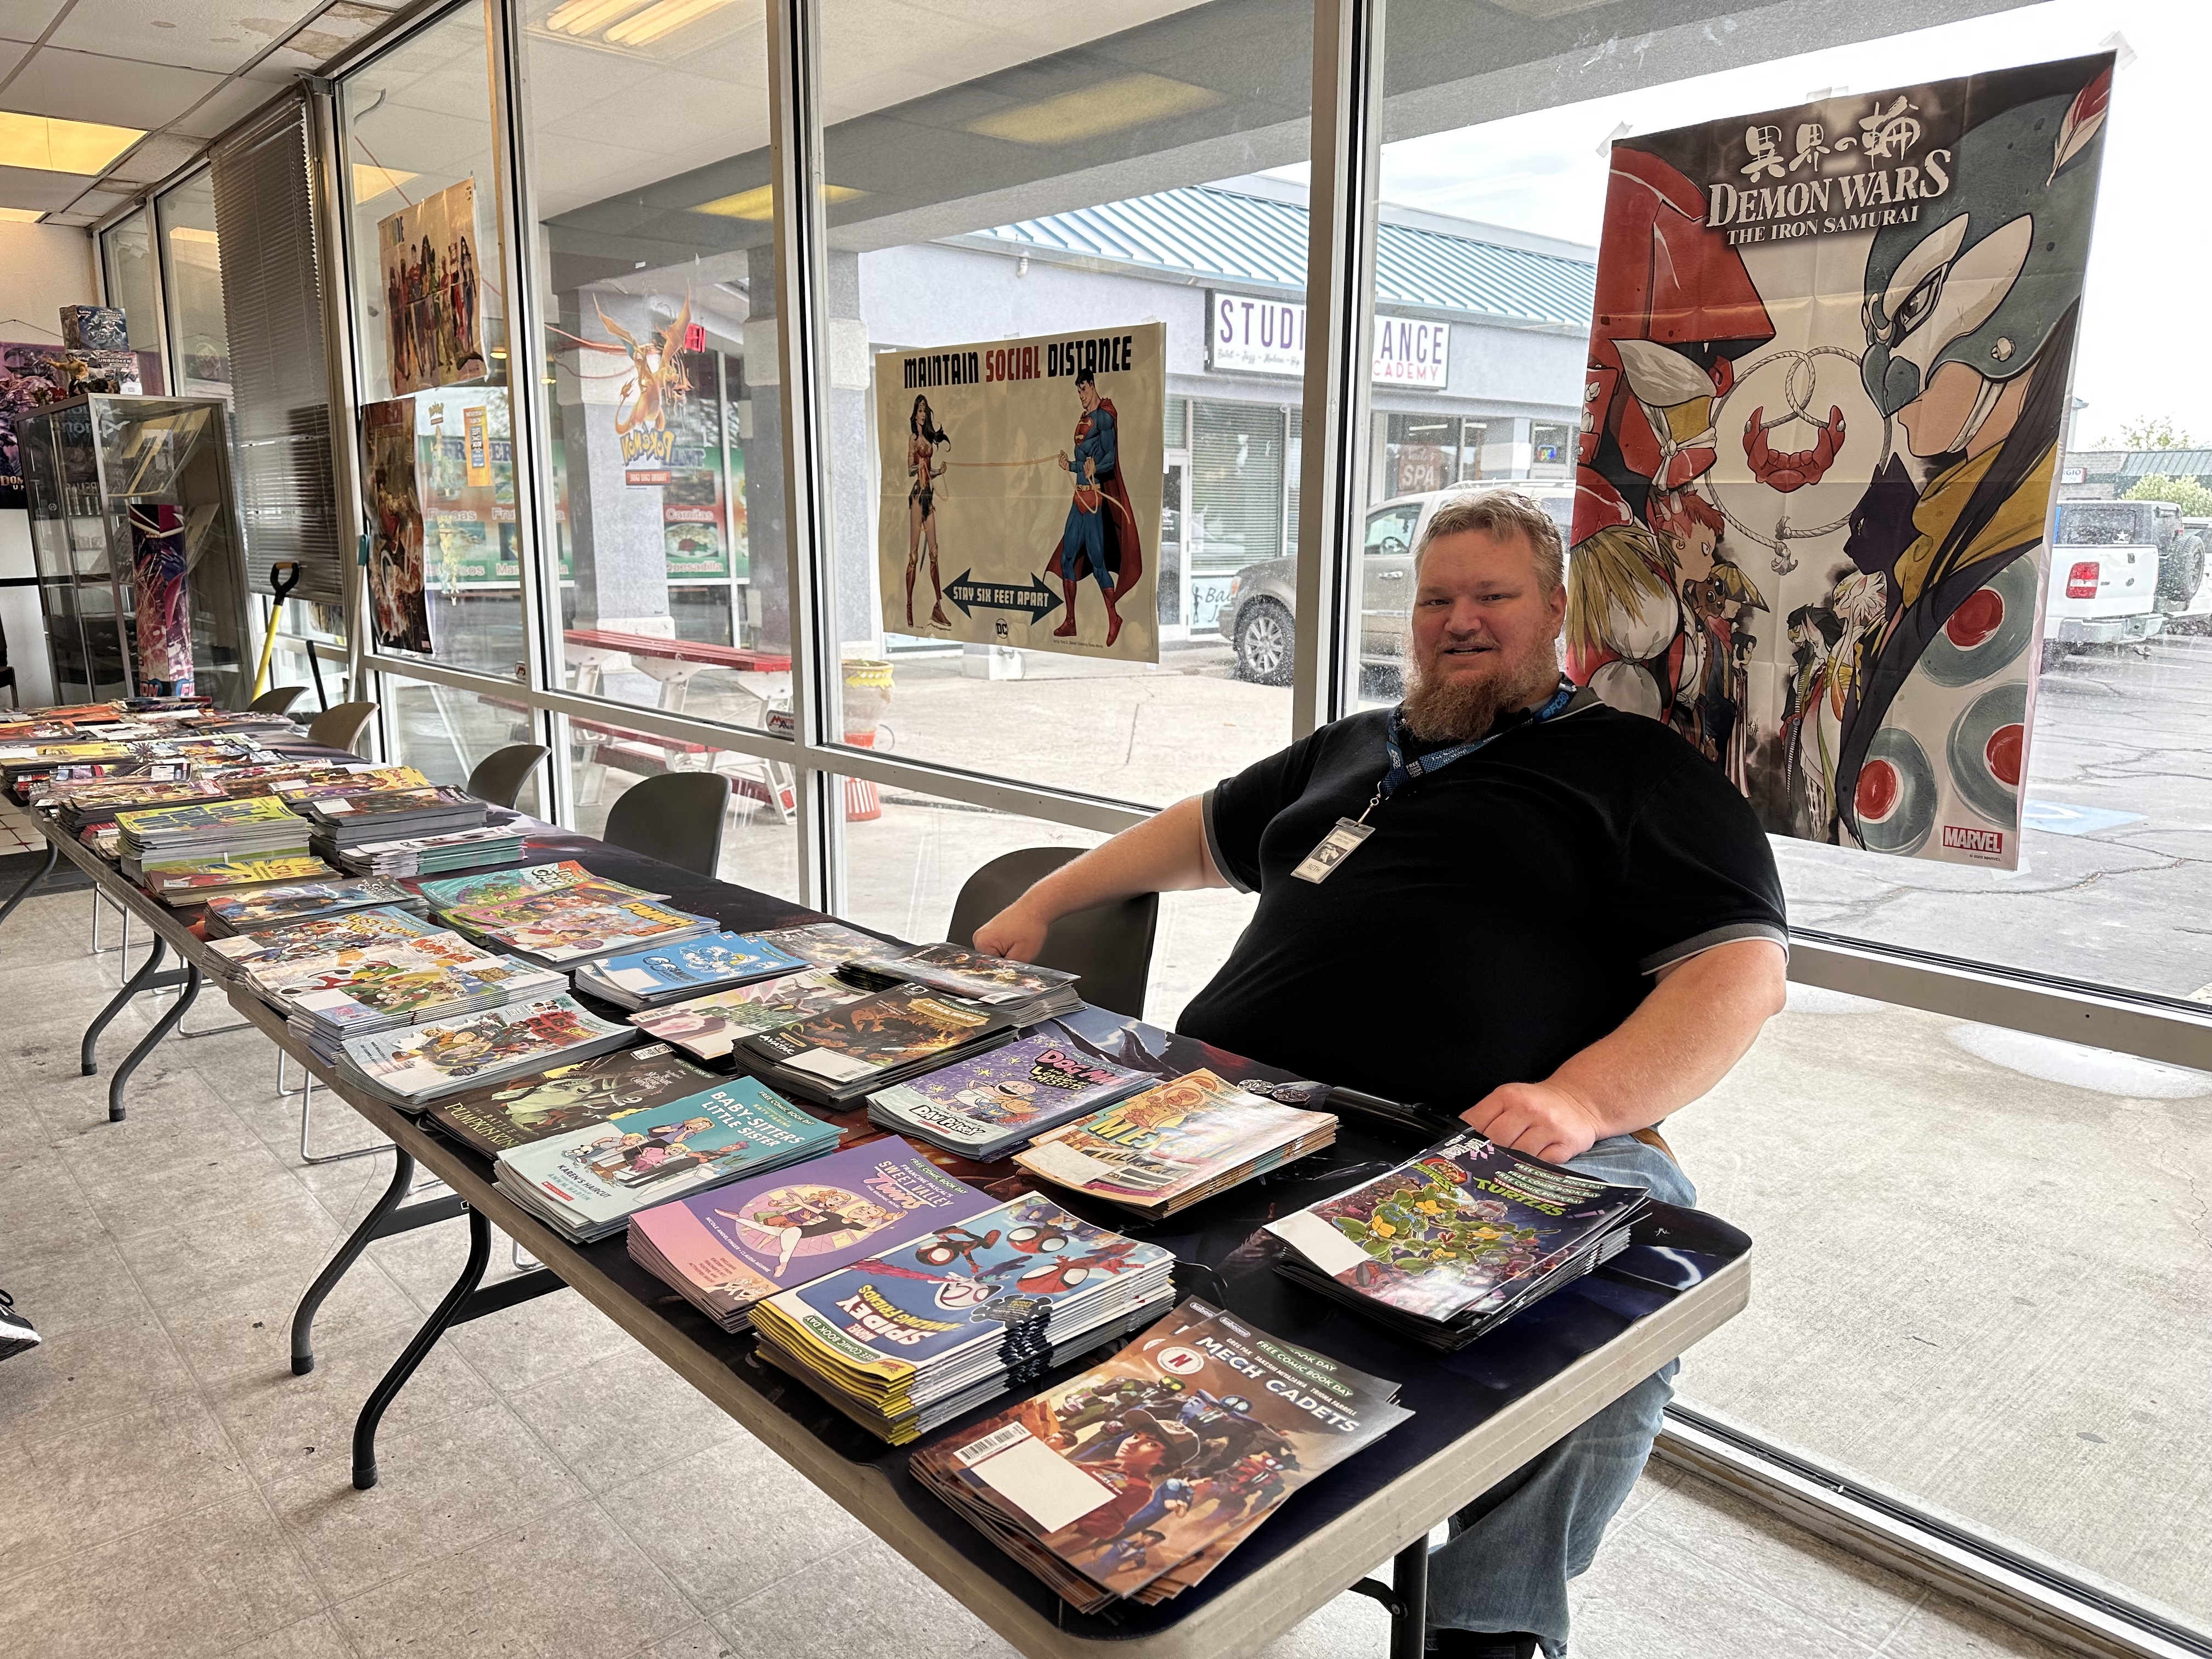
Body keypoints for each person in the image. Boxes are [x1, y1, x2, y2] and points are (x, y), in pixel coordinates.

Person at [975, 489, 1787, 1659]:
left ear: (1555, 610)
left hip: (1459, 1144)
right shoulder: (1359, 745)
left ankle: (1489, 1625)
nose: (1461, 621)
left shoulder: (1631, 769)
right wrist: (1048, 899)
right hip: (1228, 1113)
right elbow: (1200, 833)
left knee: (1630, 1296)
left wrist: (1587, 1099)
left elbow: (1740, 974)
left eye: (1493, 597)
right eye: (1436, 599)